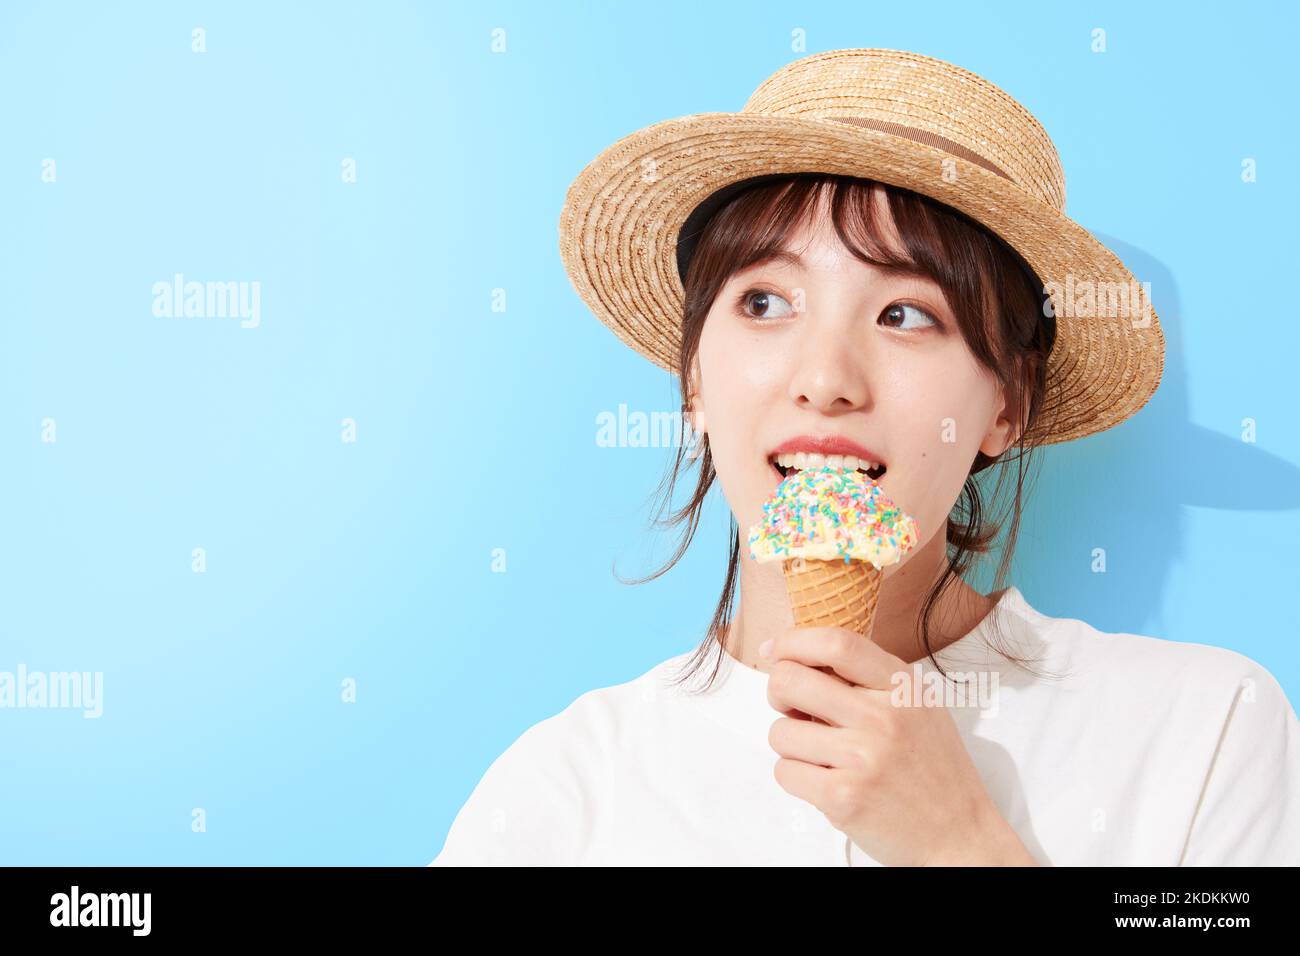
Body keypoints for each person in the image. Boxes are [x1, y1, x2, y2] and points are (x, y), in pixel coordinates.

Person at [430, 48, 1299, 866]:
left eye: (906, 314)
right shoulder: (562, 795)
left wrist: (961, 844)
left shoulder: (1207, 727)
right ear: (694, 376)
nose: (825, 379)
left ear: (1008, 405)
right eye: (766, 301)